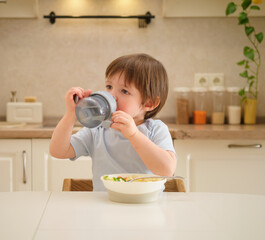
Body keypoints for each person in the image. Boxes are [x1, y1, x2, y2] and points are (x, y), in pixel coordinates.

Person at [49, 53, 177, 191]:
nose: (111, 96)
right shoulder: (98, 128)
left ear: (149, 103)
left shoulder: (155, 130)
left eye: (124, 91)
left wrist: (133, 135)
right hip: (105, 206)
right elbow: (58, 151)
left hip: (147, 207)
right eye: (109, 86)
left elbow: (166, 170)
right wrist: (71, 114)